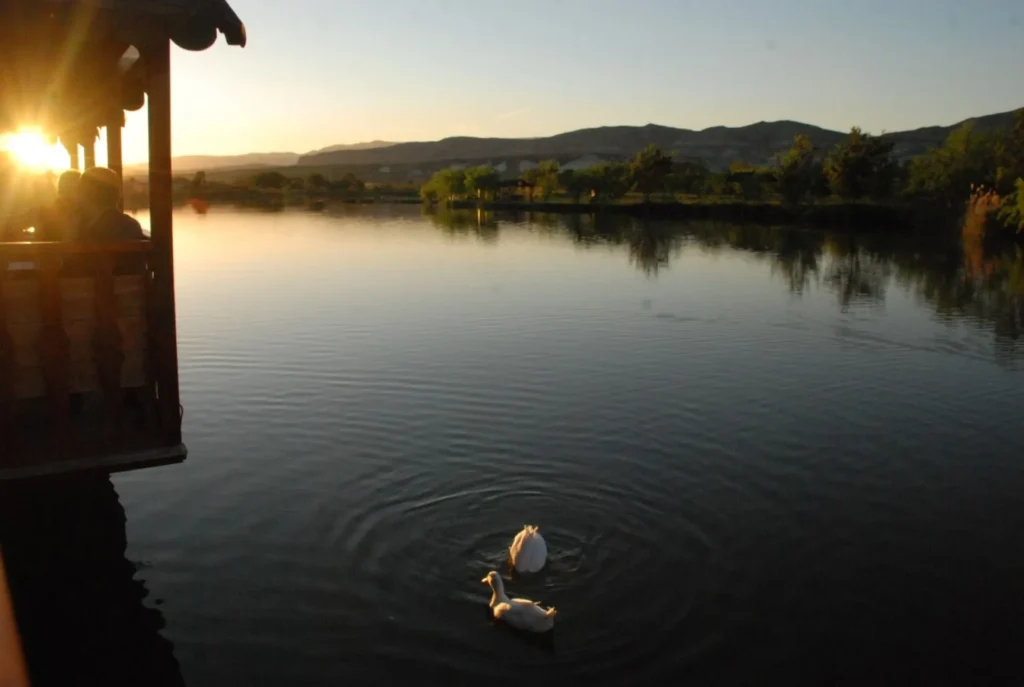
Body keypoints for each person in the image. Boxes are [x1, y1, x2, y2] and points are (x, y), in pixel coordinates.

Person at [75, 166, 146, 241]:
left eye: (80, 189)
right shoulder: (131, 225)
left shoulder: (89, 231)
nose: (76, 194)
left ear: (91, 193)